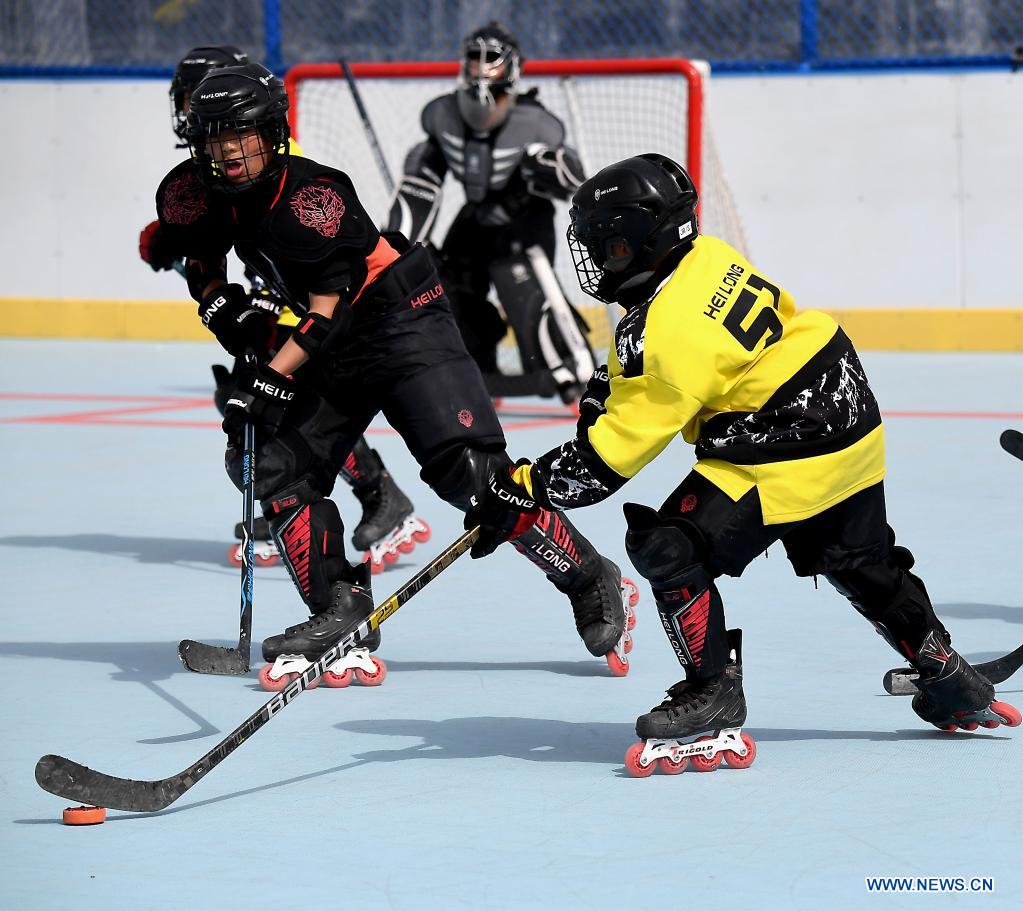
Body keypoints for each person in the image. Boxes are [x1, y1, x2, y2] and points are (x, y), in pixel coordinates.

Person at [465, 152, 1021, 775]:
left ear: (635, 241)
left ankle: (712, 691)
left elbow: (603, 464)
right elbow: (658, 352)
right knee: (863, 564)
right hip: (846, 412)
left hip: (783, 439)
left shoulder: (669, 332)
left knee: (668, 546)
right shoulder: (704, 258)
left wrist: (522, 486)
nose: (594, 257)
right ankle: (948, 675)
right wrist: (609, 385)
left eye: (604, 244)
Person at [154, 62, 635, 690]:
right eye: (217, 141)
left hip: (398, 320)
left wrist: (269, 378)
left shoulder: (311, 198)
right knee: (273, 464)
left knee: (476, 479)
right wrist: (224, 306)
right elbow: (200, 258)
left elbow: (326, 312)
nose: (232, 154)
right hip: (332, 335)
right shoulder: (189, 193)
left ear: (273, 134)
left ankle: (591, 576)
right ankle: (340, 607)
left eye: (243, 137)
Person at [138, 45, 429, 573]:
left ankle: (375, 499)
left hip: (306, 307)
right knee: (254, 400)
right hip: (279, 298)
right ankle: (306, 504)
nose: (186, 112)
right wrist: (175, 238)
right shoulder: (217, 158)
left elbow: (286, 240)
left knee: (282, 405)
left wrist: (259, 305)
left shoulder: (261, 153)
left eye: (190, 98)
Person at [386, 21, 595, 403]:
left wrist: (548, 169)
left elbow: (572, 179)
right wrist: (401, 246)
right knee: (444, 284)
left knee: (525, 294)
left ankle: (567, 370)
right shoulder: (443, 115)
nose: (482, 67)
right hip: (475, 218)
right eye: (474, 57)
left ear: (512, 65)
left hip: (523, 220)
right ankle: (469, 369)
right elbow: (421, 184)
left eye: (492, 59)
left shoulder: (535, 122)